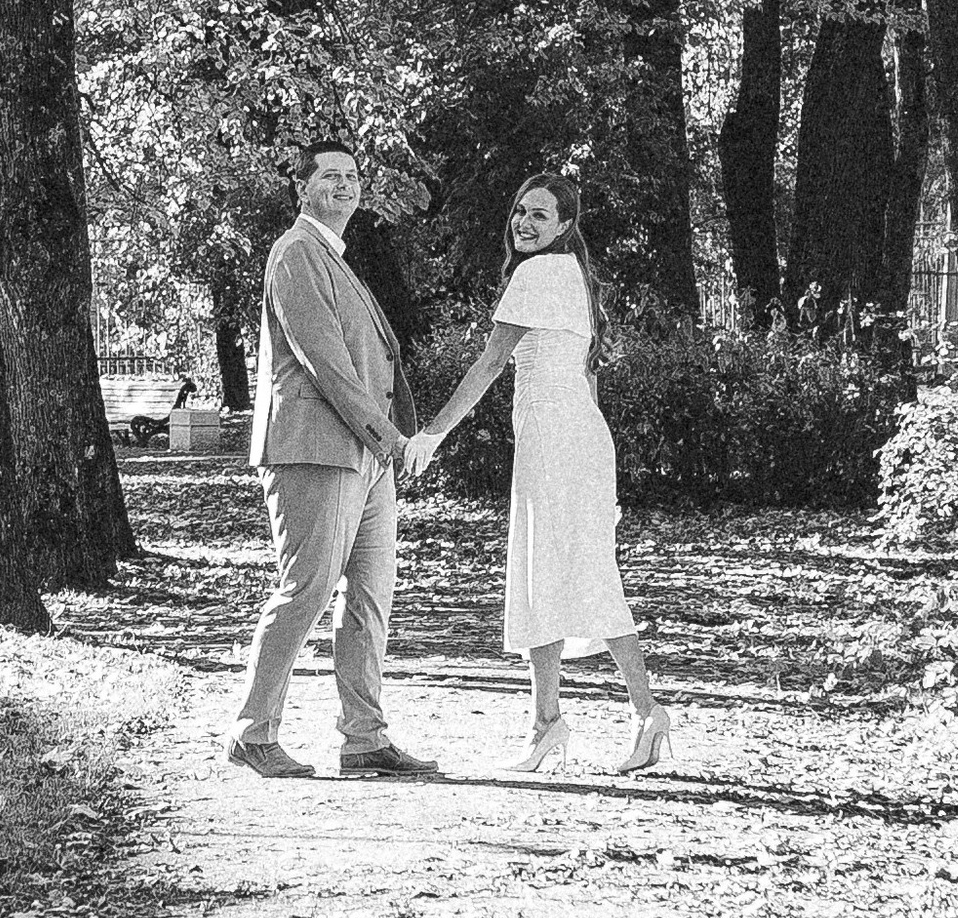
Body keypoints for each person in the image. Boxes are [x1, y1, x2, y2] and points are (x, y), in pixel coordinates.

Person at [408, 168, 674, 775]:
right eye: (520, 211)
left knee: (564, 573)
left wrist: (433, 432)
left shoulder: (538, 273)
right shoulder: (574, 275)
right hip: (577, 438)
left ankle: (626, 713)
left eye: (540, 215)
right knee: (555, 573)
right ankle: (562, 719)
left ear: (564, 226)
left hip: (557, 439)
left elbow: (490, 361)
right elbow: (589, 380)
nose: (524, 223)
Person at [228, 133, 439, 781]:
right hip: (314, 449)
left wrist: (386, 442)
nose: (345, 185)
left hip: (364, 455)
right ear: (302, 188)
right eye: (330, 176)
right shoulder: (295, 252)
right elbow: (326, 363)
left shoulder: (335, 256)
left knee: (370, 596)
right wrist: (389, 437)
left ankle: (364, 738)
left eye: (352, 176)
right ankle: (252, 733)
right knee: (308, 589)